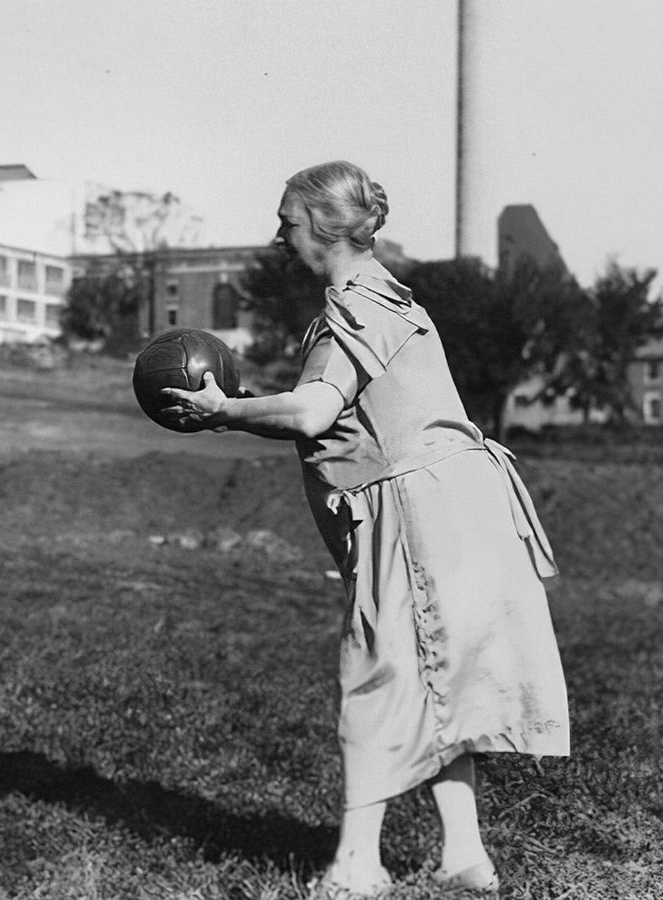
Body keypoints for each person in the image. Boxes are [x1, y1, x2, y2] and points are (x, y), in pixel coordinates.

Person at [163, 161, 569, 898]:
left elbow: (315, 412)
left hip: (420, 514)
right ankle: (466, 857)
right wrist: (247, 406)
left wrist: (222, 411)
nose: (278, 235)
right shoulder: (382, 298)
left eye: (286, 219)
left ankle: (358, 866)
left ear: (323, 225)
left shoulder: (361, 305)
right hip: (447, 506)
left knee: (377, 674)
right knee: (439, 676)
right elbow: (332, 421)